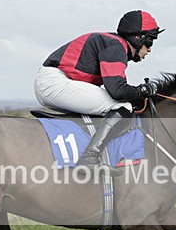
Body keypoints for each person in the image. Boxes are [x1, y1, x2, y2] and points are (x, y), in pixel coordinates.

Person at [34, 10, 164, 167]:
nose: (149, 49)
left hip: (52, 82)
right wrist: (141, 91)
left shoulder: (113, 44)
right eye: (149, 41)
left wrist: (137, 93)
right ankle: (90, 157)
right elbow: (117, 91)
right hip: (54, 83)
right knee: (122, 106)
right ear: (137, 38)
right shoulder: (116, 47)